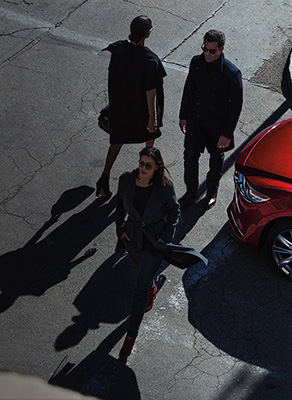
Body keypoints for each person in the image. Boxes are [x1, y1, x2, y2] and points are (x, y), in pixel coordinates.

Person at [115, 147, 206, 362]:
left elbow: (174, 211)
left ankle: (130, 336)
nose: (143, 168)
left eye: (148, 165)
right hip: (133, 238)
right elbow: (119, 204)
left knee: (140, 287)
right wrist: (121, 230)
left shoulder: (165, 188)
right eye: (141, 163)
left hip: (154, 239)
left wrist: (165, 238)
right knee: (145, 276)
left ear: (157, 168)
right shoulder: (126, 180)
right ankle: (153, 286)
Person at [96, 15, 167, 198]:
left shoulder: (118, 49)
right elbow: (150, 91)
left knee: (117, 140)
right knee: (149, 138)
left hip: (120, 107)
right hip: (141, 110)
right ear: (148, 34)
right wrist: (153, 117)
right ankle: (144, 175)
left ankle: (104, 177)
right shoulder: (150, 59)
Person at [178, 29, 243, 209]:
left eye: (212, 51)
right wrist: (183, 116)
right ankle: (191, 191)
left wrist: (227, 133)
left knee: (216, 160)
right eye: (205, 49)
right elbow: (188, 89)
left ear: (221, 49)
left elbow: (236, 106)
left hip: (217, 126)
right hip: (196, 121)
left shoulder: (231, 73)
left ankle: (212, 190)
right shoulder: (196, 62)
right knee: (189, 157)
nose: (207, 54)